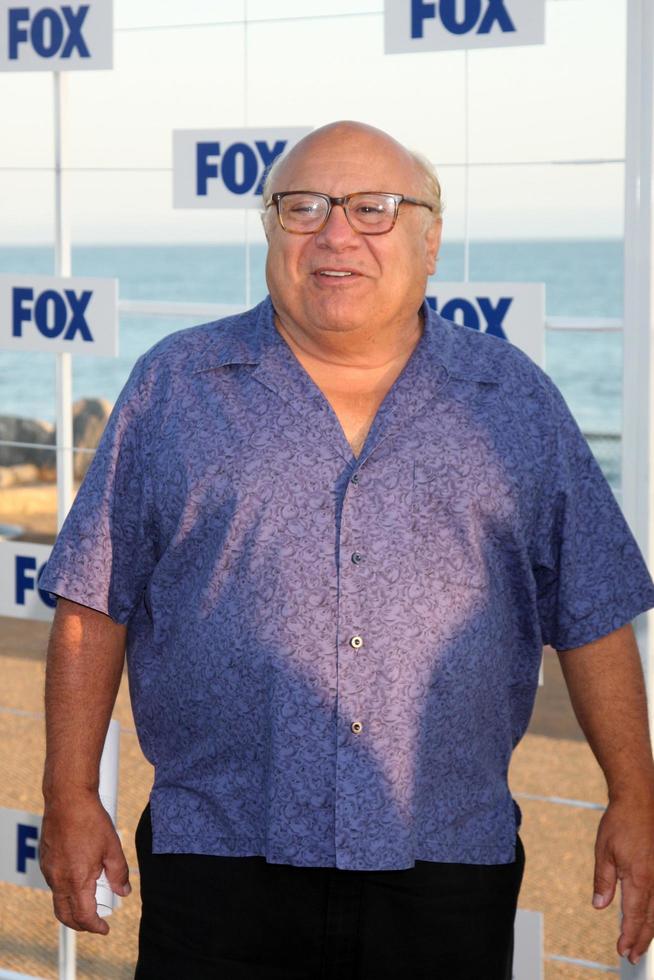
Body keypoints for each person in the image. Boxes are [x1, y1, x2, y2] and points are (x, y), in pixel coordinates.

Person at [38, 120, 654, 979]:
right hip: (218, 857)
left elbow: (592, 613)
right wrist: (69, 796)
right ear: (270, 231)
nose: (336, 234)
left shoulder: (513, 401)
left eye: (374, 209)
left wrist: (635, 795)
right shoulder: (175, 386)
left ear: (430, 240)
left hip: (445, 865)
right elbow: (90, 604)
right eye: (304, 208)